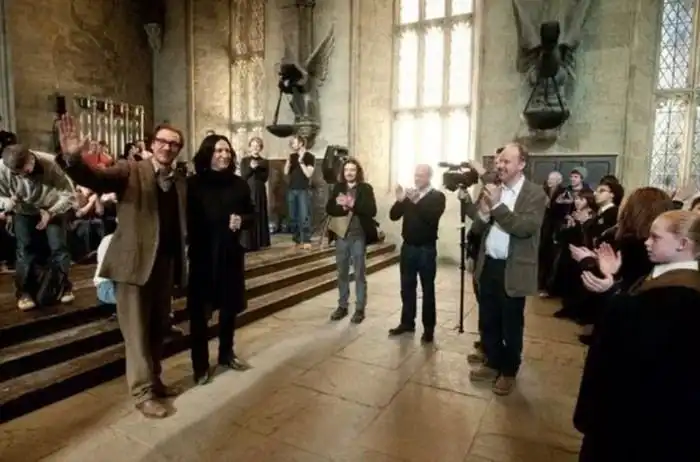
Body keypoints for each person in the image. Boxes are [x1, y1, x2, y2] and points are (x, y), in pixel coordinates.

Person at [55, 114, 188, 419]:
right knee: (136, 332)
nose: (167, 147)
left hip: (164, 263)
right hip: (133, 263)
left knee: (158, 328)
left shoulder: (179, 180)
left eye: (174, 144)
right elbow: (96, 178)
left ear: (178, 150)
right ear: (152, 144)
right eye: (162, 141)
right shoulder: (131, 170)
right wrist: (73, 159)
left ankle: (154, 380)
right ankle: (142, 393)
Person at [574, 210, 700, 461]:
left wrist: (611, 292)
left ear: (683, 244)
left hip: (639, 414)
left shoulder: (682, 297)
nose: (647, 242)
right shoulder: (669, 277)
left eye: (656, 237)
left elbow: (630, 339)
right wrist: (614, 282)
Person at [458, 143, 547, 395]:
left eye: (506, 161)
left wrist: (497, 207)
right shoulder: (493, 189)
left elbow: (524, 228)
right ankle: (492, 362)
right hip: (489, 265)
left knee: (511, 324)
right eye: (498, 161)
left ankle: (508, 371)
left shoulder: (535, 194)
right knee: (489, 319)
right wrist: (484, 215)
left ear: (521, 164)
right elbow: (477, 228)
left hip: (514, 269)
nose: (500, 165)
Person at [187, 134, 254, 385]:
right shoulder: (193, 185)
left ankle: (226, 353)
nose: (224, 155)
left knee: (228, 309)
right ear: (208, 154)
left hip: (230, 253)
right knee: (199, 314)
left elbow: (253, 214)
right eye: (218, 150)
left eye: (227, 151)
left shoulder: (239, 185)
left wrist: (242, 220)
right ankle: (200, 365)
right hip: (203, 255)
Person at [0, 144, 76, 311]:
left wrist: (52, 212)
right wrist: (8, 202)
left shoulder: (51, 163)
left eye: (26, 170)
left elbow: (69, 194)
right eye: (17, 173)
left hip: (52, 207)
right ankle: (24, 292)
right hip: (23, 210)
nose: (24, 175)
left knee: (58, 247)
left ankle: (63, 286)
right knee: (25, 249)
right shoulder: (1, 170)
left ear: (31, 157)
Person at [388, 164, 446, 342]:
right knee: (406, 287)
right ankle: (407, 322)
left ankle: (428, 328)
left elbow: (431, 217)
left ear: (429, 177)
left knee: (428, 289)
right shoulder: (410, 196)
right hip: (408, 248)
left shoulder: (437, 196)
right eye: (416, 175)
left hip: (426, 249)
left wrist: (415, 201)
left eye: (421, 175)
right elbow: (393, 216)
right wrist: (400, 200)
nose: (417, 178)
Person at [326, 158, 378, 324]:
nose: (349, 173)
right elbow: (329, 208)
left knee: (359, 273)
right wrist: (342, 208)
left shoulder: (365, 188)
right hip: (341, 235)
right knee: (341, 272)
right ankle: (342, 306)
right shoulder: (338, 187)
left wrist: (352, 204)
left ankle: (360, 308)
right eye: (347, 170)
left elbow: (371, 210)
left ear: (358, 172)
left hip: (358, 235)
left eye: (352, 170)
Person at [239, 136, 271, 251]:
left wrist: (257, 167)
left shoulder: (264, 162)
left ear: (260, 148)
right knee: (249, 214)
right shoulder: (245, 161)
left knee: (259, 213)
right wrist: (251, 168)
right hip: (248, 190)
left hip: (260, 191)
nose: (255, 148)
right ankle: (249, 243)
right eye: (253, 145)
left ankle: (261, 241)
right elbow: (244, 176)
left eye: (257, 146)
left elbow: (264, 178)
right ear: (249, 147)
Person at [284, 135, 315, 248]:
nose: (292, 145)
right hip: (292, 189)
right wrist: (288, 161)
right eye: (291, 143)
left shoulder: (310, 157)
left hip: (303, 190)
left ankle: (306, 239)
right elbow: (286, 172)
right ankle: (296, 239)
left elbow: (308, 174)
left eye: (294, 142)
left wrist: (301, 161)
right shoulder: (292, 156)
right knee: (293, 216)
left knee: (304, 215)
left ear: (301, 143)